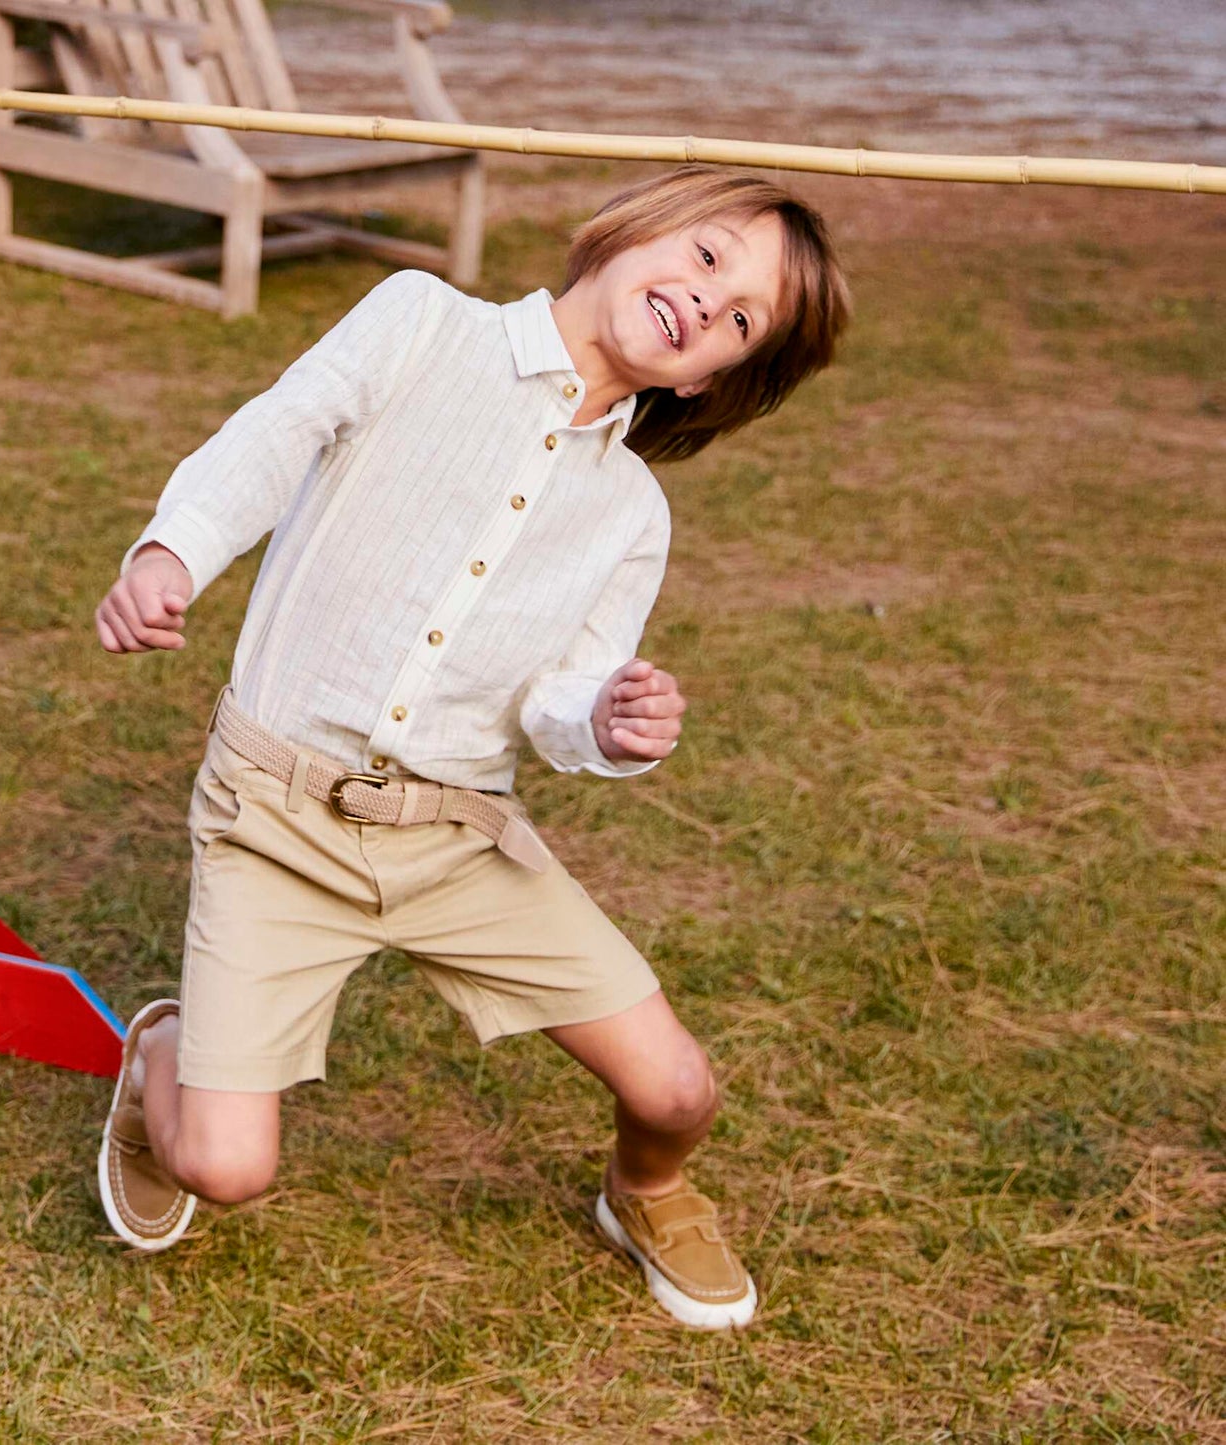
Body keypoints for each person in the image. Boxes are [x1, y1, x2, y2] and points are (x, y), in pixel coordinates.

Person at [92, 165, 849, 1330]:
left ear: (714, 378)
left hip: (458, 839)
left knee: (679, 1087)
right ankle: (163, 1055)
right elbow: (271, 436)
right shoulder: (416, 320)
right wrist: (171, 552)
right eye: (706, 258)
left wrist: (603, 719)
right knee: (226, 1167)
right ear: (634, 227)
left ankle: (641, 1192)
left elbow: (556, 697)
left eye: (740, 319)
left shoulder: (631, 513)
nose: (707, 303)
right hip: (275, 814)